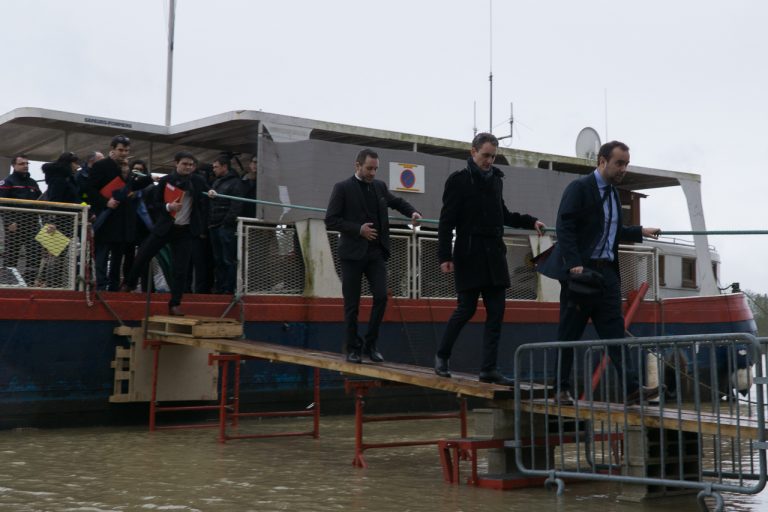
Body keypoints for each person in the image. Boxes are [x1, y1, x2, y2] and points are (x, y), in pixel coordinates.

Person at [536, 140, 661, 405]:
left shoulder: (615, 194)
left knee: (615, 334)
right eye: (619, 163)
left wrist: (640, 231)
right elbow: (565, 226)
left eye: (626, 164)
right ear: (602, 162)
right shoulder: (580, 188)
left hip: (606, 275)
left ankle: (631, 389)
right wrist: (574, 264)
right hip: (582, 273)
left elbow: (612, 231)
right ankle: (560, 389)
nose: (623, 169)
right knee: (569, 334)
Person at [435, 133, 545, 385]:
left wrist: (530, 221)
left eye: (493, 156)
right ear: (473, 152)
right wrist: (445, 255)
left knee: (496, 313)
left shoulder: (496, 180)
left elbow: (502, 214)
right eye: (485, 155)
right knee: (466, 309)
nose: (489, 160)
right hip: (469, 253)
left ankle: (489, 369)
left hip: (494, 255)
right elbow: (446, 221)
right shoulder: (458, 181)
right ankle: (442, 356)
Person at [325, 148, 421, 363]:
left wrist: (413, 212)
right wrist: (358, 229)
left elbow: (395, 201)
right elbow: (330, 220)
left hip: (375, 253)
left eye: (375, 169)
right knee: (352, 304)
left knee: (380, 297)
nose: (372, 173)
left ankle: (371, 345)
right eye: (369, 168)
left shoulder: (379, 186)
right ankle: (352, 348)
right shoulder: (342, 188)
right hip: (351, 254)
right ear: (357, 165)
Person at [121, 151, 211, 316]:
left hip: (185, 230)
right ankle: (130, 283)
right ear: (176, 164)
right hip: (165, 227)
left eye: (191, 165)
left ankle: (175, 303)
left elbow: (206, 195)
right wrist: (168, 207)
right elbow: (154, 204)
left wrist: (211, 193)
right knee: (143, 254)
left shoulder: (198, 181)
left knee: (180, 269)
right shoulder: (166, 180)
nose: (188, 167)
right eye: (184, 164)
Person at [89, 135, 152, 291]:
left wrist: (149, 179)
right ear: (112, 149)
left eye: (126, 150)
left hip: (124, 218)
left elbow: (129, 187)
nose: (124, 153)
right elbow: (89, 190)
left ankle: (114, 286)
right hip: (107, 216)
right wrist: (105, 202)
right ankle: (102, 286)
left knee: (118, 256)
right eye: (121, 150)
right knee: (103, 254)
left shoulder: (126, 167)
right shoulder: (101, 166)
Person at [0, 154, 43, 284]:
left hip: (33, 225)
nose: (25, 166)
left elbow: (41, 201)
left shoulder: (33, 183)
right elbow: (2, 203)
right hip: (15, 225)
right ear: (14, 165)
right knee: (12, 255)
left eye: (27, 163)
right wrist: (8, 222)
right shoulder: (8, 182)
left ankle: (28, 283)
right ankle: (8, 283)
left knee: (35, 254)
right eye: (21, 164)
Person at [208, 155, 246, 294]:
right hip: (215, 225)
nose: (214, 170)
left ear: (224, 166)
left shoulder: (236, 183)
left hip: (225, 226)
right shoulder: (217, 182)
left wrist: (226, 223)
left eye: (216, 167)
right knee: (218, 259)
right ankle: (221, 288)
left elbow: (236, 205)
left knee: (227, 259)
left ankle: (228, 289)